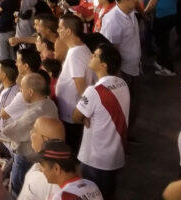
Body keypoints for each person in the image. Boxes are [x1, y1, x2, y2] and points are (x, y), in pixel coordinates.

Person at [72, 44, 129, 200]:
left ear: (103, 65)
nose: (91, 56)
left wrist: (85, 116)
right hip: (115, 154)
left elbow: (75, 116)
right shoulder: (122, 83)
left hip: (96, 159)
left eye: (95, 55)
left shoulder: (94, 91)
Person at [0, 73, 58, 197]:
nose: (20, 91)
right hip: (40, 156)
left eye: (22, 89)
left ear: (30, 92)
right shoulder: (49, 103)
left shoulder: (35, 113)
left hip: (27, 158)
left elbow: (11, 130)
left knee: (17, 190)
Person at [56, 14, 94, 151]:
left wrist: (83, 113)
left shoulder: (76, 54)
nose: (57, 31)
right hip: (73, 114)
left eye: (60, 28)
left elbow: (81, 87)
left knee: (72, 151)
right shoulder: (79, 49)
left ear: (68, 31)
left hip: (73, 116)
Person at [35, 140, 104, 200]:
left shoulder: (61, 197)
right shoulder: (92, 185)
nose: (40, 169)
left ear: (56, 169)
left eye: (43, 166)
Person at [145, 0, 178, 76]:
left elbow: (152, 3)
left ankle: (169, 68)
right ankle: (160, 61)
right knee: (164, 40)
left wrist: (145, 12)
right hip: (172, 15)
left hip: (162, 17)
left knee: (162, 43)